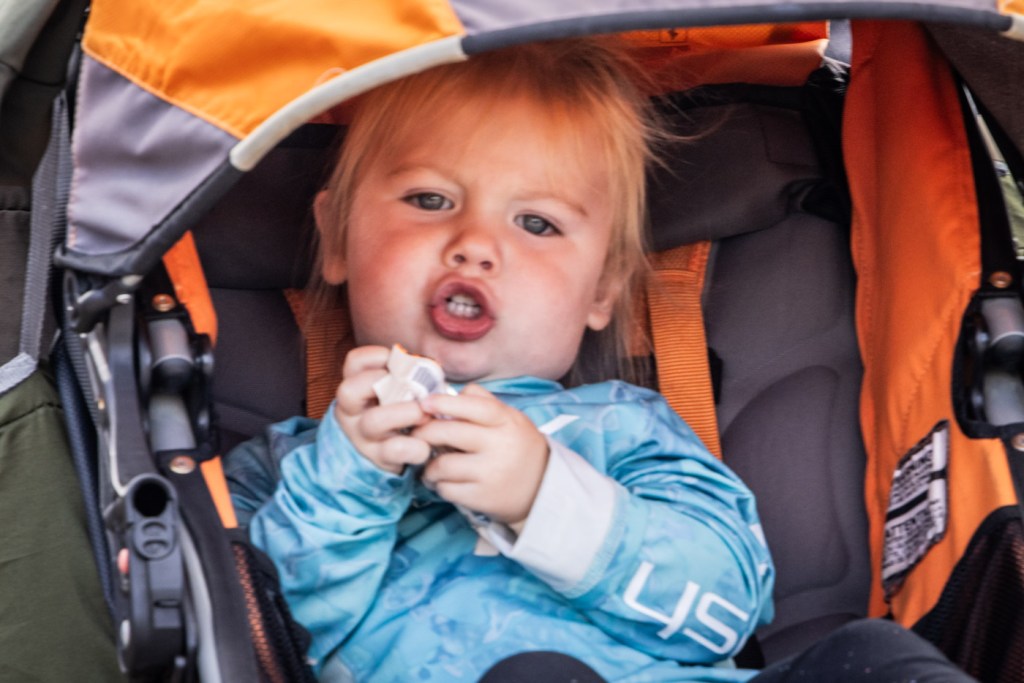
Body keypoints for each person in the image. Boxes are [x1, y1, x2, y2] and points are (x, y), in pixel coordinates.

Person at [226, 38, 977, 683]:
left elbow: (728, 609)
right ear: (337, 236)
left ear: (602, 290)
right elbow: (257, 644)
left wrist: (546, 499)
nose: (476, 245)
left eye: (536, 222)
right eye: (429, 200)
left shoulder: (627, 430)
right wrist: (349, 480)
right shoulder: (287, 469)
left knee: (876, 656)